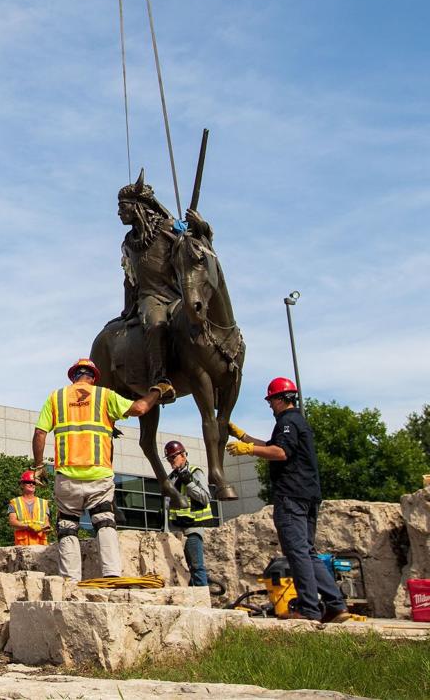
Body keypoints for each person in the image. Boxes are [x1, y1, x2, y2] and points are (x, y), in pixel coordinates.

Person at [226, 377, 350, 622]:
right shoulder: (296, 421)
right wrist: (244, 437)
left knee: (297, 553)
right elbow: (273, 445)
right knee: (308, 552)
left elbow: (280, 452)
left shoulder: (288, 421)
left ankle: (308, 609)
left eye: (271, 400)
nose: (270, 406)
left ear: (281, 399)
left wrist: (248, 450)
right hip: (308, 495)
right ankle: (336, 606)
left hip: (291, 496)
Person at [32, 358, 167, 581]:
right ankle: (111, 574)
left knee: (67, 526)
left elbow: (39, 433)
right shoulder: (104, 395)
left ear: (74, 376)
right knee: (104, 522)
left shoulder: (56, 398)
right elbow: (140, 408)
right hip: (99, 474)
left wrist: (38, 466)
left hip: (67, 476)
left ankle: (70, 581)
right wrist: (156, 391)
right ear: (93, 377)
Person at [117, 171, 214, 401]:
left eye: (123, 206)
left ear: (138, 207)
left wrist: (201, 226)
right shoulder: (128, 244)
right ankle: (161, 379)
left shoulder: (169, 227)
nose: (119, 212)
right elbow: (130, 280)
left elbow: (195, 242)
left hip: (178, 294)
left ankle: (217, 372)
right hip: (150, 299)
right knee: (156, 323)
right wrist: (127, 309)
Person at [163, 440, 213, 587]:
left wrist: (189, 483)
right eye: (169, 459)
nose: (171, 461)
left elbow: (206, 498)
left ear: (183, 456)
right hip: (176, 531)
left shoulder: (195, 472)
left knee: (196, 566)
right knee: (178, 568)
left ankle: (202, 601)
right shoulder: (171, 477)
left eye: (174, 457)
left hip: (192, 529)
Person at [8, 470, 51, 546]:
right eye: (28, 482)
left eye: (34, 483)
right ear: (22, 485)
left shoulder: (43, 503)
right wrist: (28, 526)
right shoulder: (14, 502)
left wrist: (46, 528)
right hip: (23, 545)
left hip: (40, 545)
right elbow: (12, 522)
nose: (31, 484)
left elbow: (46, 522)